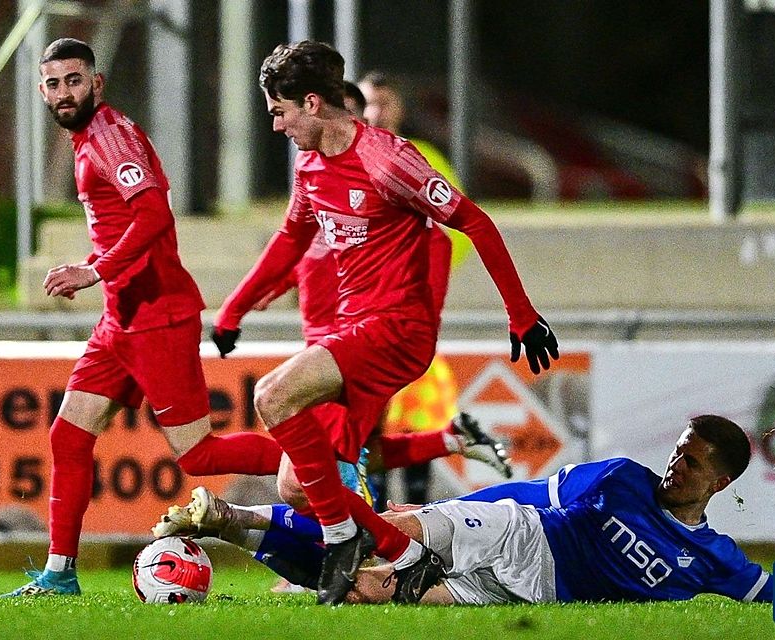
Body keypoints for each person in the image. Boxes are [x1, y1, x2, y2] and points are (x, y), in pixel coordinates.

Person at [203, 40, 558, 605]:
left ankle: (345, 539)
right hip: (354, 332)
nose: (275, 126)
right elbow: (293, 238)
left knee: (273, 395)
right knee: (298, 485)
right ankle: (403, 555)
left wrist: (522, 315)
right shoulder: (311, 163)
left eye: (279, 111)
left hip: (396, 331)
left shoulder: (389, 160)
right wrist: (233, 309)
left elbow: (476, 223)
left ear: (313, 103)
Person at [1, 38, 284, 597]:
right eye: (54, 84)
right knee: (69, 434)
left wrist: (93, 270)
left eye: (74, 80)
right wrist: (98, 269)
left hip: (158, 315)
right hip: (120, 319)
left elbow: (154, 213)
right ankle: (60, 574)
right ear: (42, 90)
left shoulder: (108, 134)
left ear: (96, 83)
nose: (64, 93)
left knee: (198, 454)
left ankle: (328, 465)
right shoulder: (89, 139)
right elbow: (120, 221)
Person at [170, 415, 775, 606]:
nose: (676, 464)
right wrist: (453, 514)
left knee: (367, 590)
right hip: (517, 531)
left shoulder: (714, 562)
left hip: (534, 590)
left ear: (721, 480)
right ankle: (242, 515)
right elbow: (533, 496)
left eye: (692, 461)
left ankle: (231, 528)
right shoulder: (620, 479)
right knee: (390, 535)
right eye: (678, 450)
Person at [360, 70, 472, 506]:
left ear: (400, 109)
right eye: (368, 103)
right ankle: (375, 515)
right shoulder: (344, 159)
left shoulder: (420, 156)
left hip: (407, 314)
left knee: (415, 415)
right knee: (369, 421)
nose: (375, 112)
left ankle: (417, 518)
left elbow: (457, 228)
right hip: (359, 316)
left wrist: (424, 282)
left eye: (384, 103)